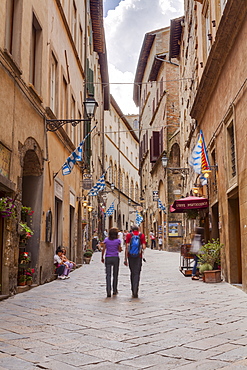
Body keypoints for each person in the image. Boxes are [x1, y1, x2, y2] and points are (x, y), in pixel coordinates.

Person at [124, 225, 146, 298]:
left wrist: (125, 258)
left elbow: (127, 247)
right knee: (137, 273)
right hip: (138, 256)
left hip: (130, 256)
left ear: (131, 229)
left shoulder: (129, 235)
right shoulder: (141, 235)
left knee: (132, 272)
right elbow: (143, 246)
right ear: (138, 229)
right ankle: (136, 289)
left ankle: (133, 289)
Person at [101, 227, 122, 297]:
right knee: (115, 275)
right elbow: (119, 250)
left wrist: (102, 257)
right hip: (115, 257)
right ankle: (115, 290)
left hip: (108, 257)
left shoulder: (106, 240)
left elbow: (104, 249)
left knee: (108, 275)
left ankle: (108, 291)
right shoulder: (118, 241)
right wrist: (119, 249)